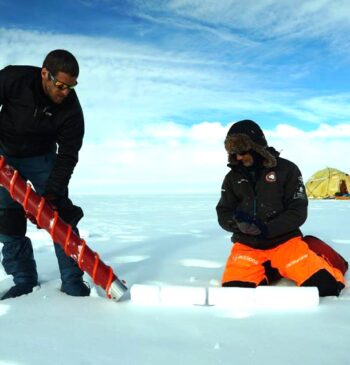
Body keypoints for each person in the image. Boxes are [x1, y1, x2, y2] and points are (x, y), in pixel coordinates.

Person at [216, 119, 345, 296]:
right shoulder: (232, 178)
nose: (238, 157)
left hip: (285, 242)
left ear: (256, 147)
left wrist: (266, 229)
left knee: (326, 286)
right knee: (235, 292)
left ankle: (319, 257)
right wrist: (236, 224)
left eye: (243, 151)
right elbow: (223, 211)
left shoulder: (287, 170)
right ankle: (273, 268)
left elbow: (297, 211)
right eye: (234, 153)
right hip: (247, 246)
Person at [0, 49, 90, 299]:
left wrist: (52, 194)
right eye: (60, 85)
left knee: (59, 215)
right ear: (44, 74)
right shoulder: (13, 79)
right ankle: (24, 280)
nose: (65, 92)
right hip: (4, 152)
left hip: (42, 158)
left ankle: (72, 281)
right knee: (7, 218)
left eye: (71, 87)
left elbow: (68, 155)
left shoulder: (71, 110)